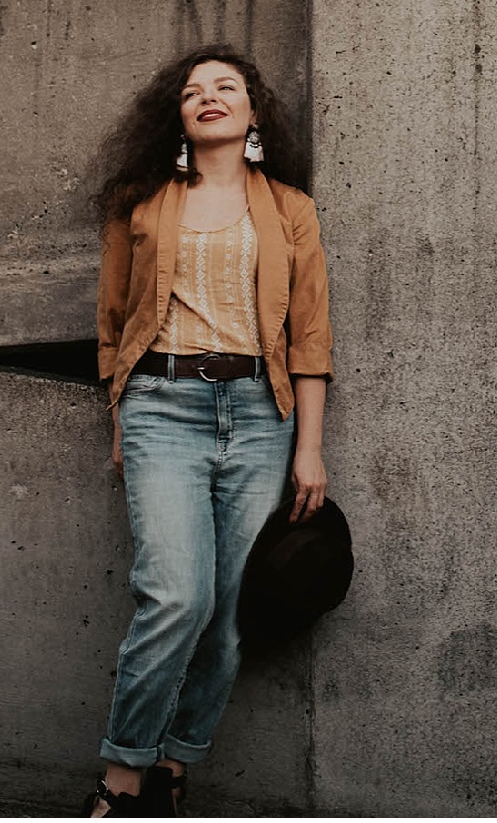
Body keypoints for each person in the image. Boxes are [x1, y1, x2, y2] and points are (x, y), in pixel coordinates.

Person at [87, 45, 333, 818]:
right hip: (163, 404)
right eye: (194, 91)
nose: (210, 97)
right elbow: (112, 320)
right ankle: (122, 777)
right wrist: (122, 416)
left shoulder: (290, 207)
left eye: (227, 87)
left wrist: (310, 447)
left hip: (262, 416)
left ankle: (177, 760)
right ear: (180, 115)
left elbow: (311, 337)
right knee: (174, 597)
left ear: (255, 113)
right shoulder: (144, 202)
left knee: (228, 620)